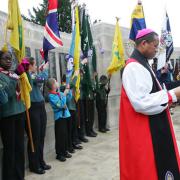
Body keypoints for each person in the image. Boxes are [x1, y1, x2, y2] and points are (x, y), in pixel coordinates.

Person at [120, 29, 180, 179]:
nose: (156, 50)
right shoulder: (134, 67)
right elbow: (141, 102)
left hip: (150, 126)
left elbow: (152, 92)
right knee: (148, 170)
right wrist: (173, 95)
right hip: (144, 131)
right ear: (143, 43)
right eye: (154, 46)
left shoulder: (143, 64)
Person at [0, 51, 27, 180]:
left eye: (10, 58)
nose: (9, 61)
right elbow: (6, 96)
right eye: (6, 58)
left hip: (19, 113)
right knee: (10, 150)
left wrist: (20, 75)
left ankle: (19, 176)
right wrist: (13, 79)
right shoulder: (1, 75)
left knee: (20, 148)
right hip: (8, 116)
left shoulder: (13, 74)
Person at [26, 57, 51, 174]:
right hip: (33, 108)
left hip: (41, 106)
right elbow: (41, 79)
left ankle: (41, 161)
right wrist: (45, 70)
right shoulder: (28, 76)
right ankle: (34, 164)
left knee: (41, 136)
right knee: (35, 137)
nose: (36, 67)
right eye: (34, 65)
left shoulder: (34, 75)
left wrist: (41, 70)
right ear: (29, 66)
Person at [47, 78, 72, 162]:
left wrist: (68, 91)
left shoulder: (58, 93)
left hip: (64, 116)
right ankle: (59, 154)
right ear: (53, 85)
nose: (57, 83)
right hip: (59, 117)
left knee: (64, 134)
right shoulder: (51, 96)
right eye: (56, 82)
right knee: (60, 136)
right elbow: (60, 104)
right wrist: (64, 95)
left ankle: (64, 151)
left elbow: (67, 100)